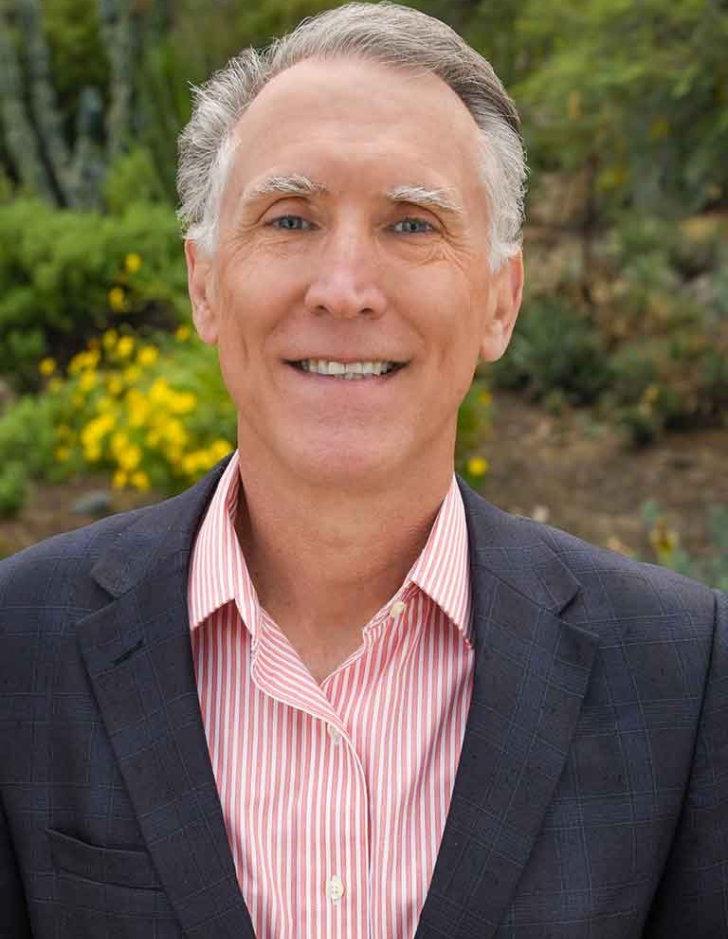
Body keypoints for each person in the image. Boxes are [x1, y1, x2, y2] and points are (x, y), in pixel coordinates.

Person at [0, 3, 725, 937]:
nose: (344, 288)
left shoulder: (680, 674)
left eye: (413, 224)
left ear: (502, 302)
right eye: (290, 217)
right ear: (205, 284)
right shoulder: (19, 646)